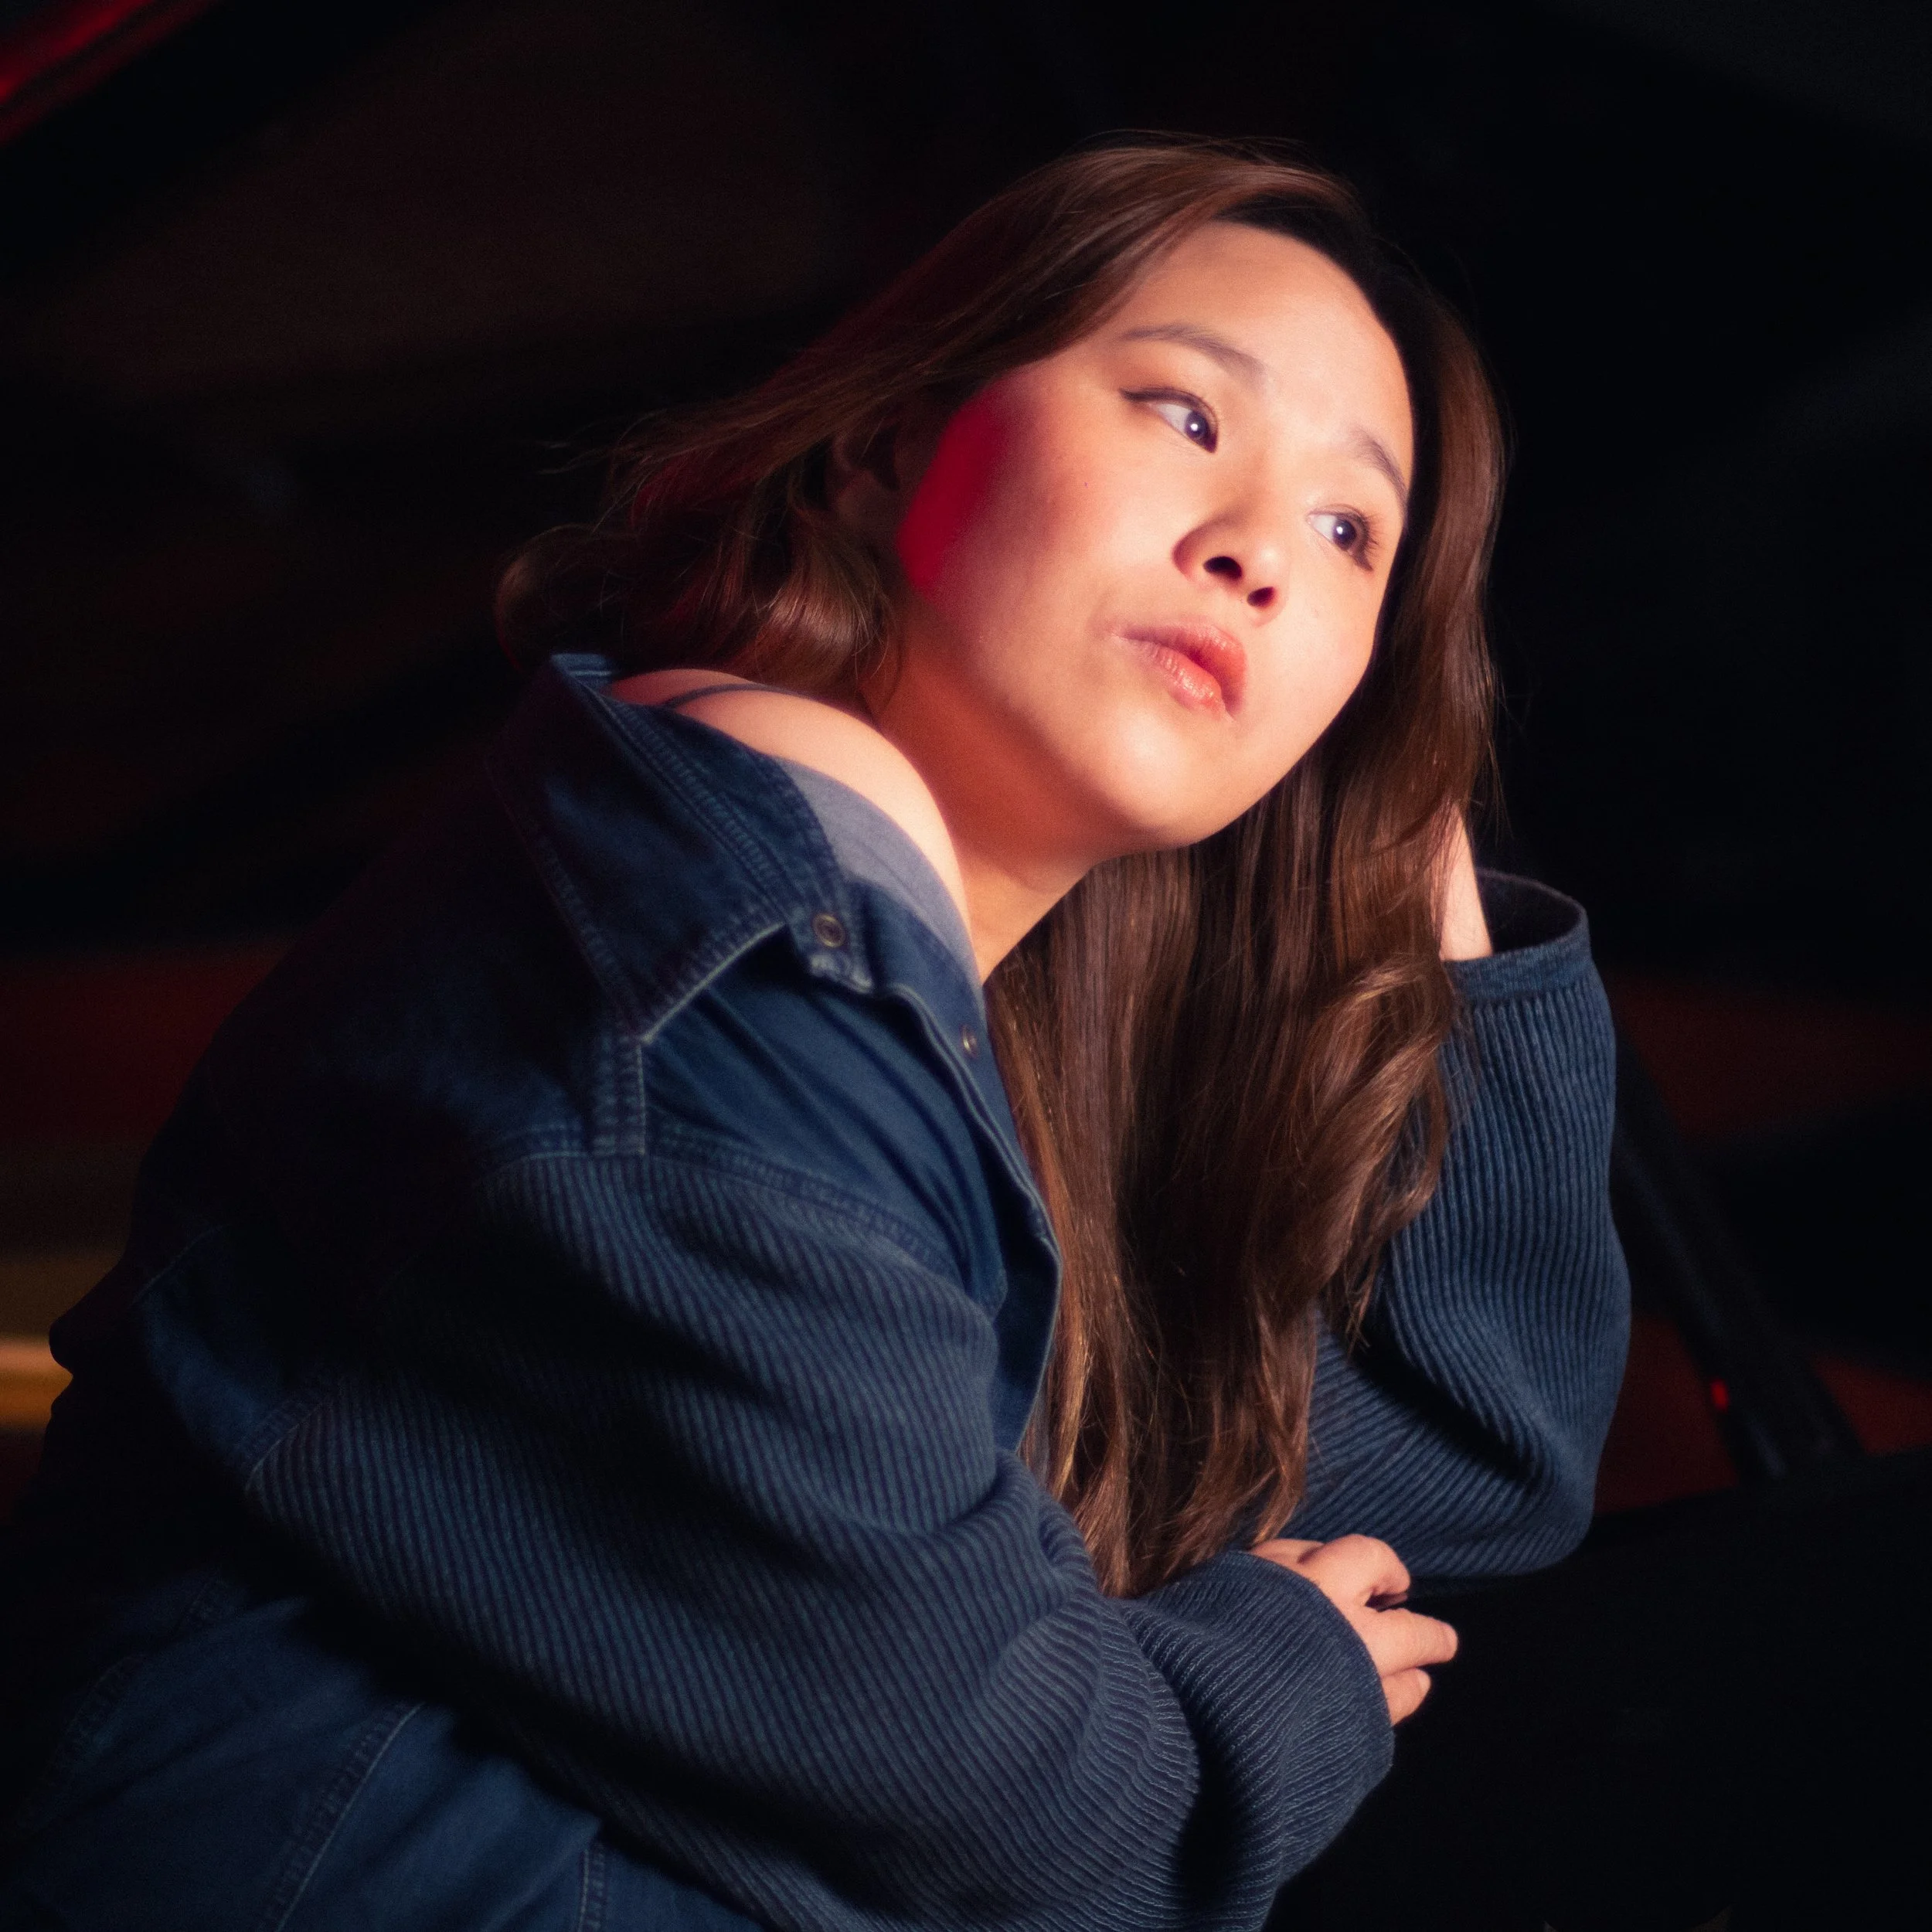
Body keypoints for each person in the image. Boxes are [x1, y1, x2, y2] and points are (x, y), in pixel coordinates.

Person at [0, 140, 1627, 1930]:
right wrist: (1278, 1678)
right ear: (881, 449)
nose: (1259, 551)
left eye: (1350, 536)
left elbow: (1468, 1459)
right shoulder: (713, 968)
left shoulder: (924, 1049)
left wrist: (1425, 888)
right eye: (1180, 413)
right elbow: (1029, 1819)